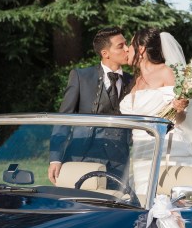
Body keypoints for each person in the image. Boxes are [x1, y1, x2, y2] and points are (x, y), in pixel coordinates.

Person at [119, 27, 192, 202]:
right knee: (145, 203)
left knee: (174, 205)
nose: (127, 49)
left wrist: (179, 108)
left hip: (168, 150)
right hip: (141, 155)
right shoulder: (136, 80)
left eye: (130, 44)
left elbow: (180, 117)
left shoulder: (166, 72)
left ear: (141, 49)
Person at [47, 27, 134, 185]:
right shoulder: (81, 76)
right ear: (105, 53)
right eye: (121, 46)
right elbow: (64, 118)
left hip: (118, 161)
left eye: (126, 44)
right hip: (82, 155)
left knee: (116, 200)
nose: (127, 49)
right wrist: (55, 158)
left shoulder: (133, 81)